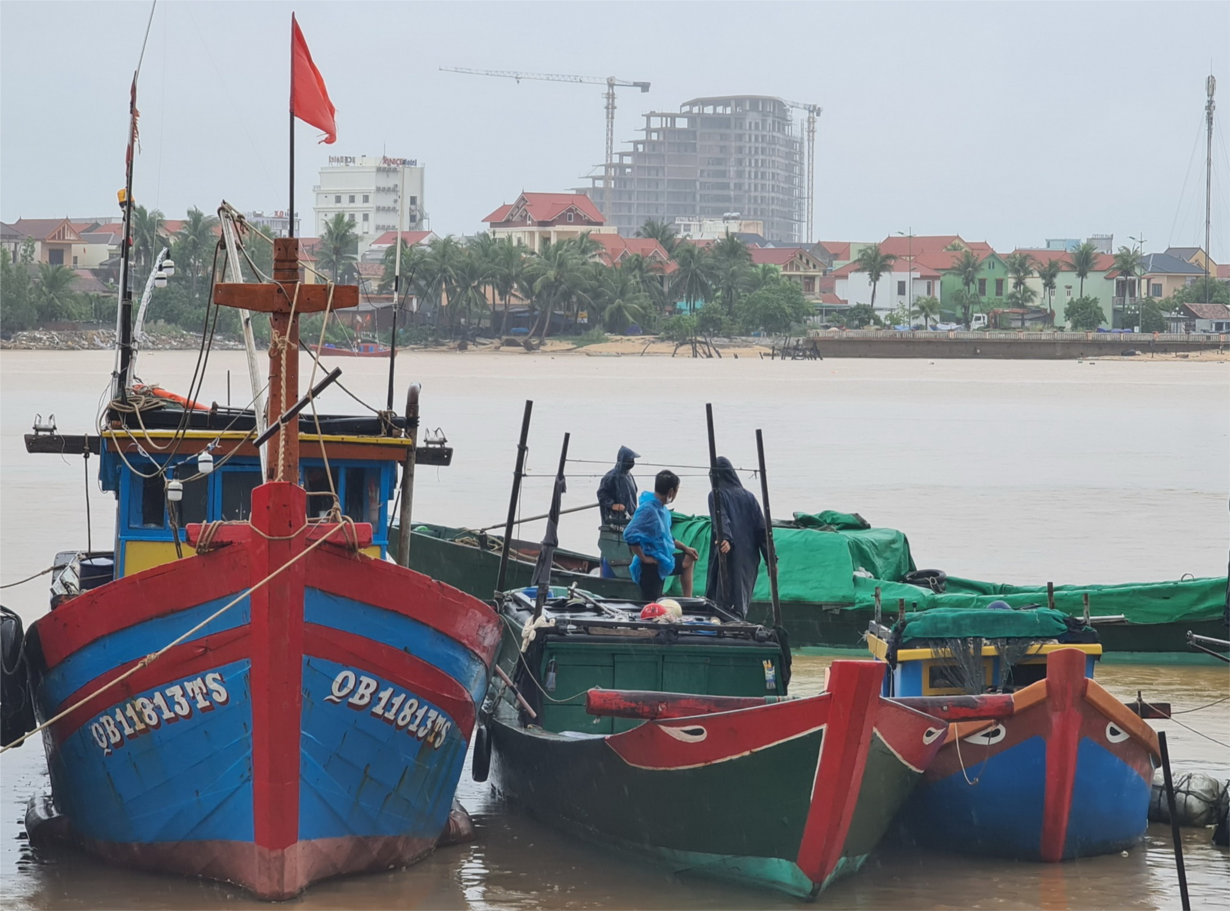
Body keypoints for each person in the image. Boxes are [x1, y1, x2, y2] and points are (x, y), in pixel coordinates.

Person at [706, 456, 769, 618]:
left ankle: (724, 627)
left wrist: (726, 538)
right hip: (749, 556)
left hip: (728, 551)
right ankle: (738, 620)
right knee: (741, 593)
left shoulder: (716, 495)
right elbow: (763, 530)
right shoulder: (749, 497)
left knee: (722, 595)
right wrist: (770, 558)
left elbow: (721, 518)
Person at [623, 470, 698, 601]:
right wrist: (643, 557)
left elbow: (667, 537)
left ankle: (688, 600)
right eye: (676, 491)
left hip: (664, 559)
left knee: (688, 559)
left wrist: (686, 548)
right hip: (651, 565)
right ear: (670, 492)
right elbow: (629, 534)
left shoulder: (662, 509)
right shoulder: (648, 510)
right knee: (651, 605)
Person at [597, 446, 639, 524]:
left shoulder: (629, 476)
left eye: (632, 460)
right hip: (615, 520)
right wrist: (612, 505)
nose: (631, 462)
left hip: (630, 518)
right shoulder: (611, 476)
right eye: (629, 460)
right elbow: (601, 493)